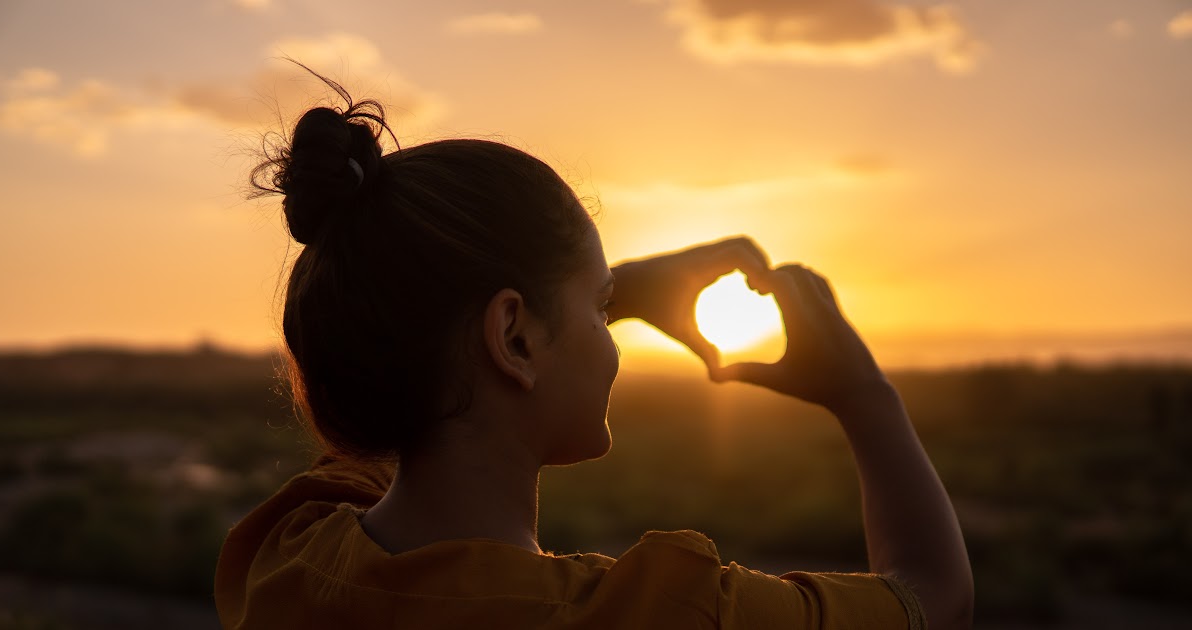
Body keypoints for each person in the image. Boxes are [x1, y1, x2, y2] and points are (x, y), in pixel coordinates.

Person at [214, 77, 974, 629]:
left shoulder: (286, 556)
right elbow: (932, 598)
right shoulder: (667, 612)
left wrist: (585, 297)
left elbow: (419, 382)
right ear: (513, 337)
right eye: (603, 310)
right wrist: (865, 395)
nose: (613, 340)